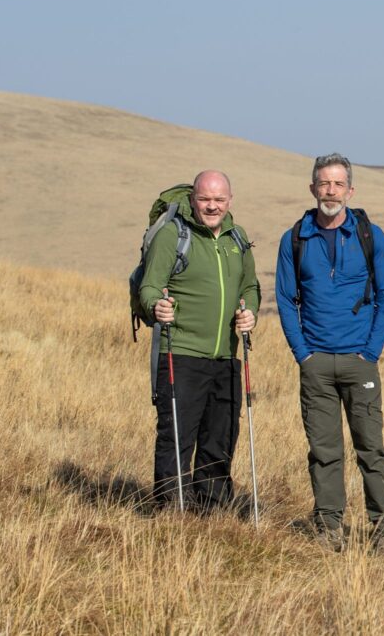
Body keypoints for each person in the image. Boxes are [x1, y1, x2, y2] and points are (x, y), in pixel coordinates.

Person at [275, 153, 384, 552]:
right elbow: (284, 298)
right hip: (315, 364)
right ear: (312, 189)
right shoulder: (294, 238)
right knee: (324, 451)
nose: (331, 191)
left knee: (371, 448)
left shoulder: (370, 235)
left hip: (358, 359)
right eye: (324, 184)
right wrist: (302, 353)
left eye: (338, 184)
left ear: (350, 190)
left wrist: (372, 351)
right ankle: (329, 527)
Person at [139, 170, 260, 512]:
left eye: (219, 200)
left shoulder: (238, 239)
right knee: (177, 436)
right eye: (205, 199)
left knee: (220, 437)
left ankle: (212, 509)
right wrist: (156, 305)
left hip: (225, 357)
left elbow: (250, 287)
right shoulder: (171, 236)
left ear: (230, 201)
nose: (212, 206)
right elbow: (149, 285)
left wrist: (250, 310)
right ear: (192, 199)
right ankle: (171, 509)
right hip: (181, 352)